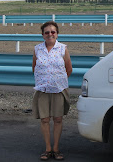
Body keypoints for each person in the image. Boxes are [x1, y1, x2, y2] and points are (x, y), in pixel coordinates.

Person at [32, 21, 72, 161]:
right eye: (47, 32)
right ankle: (47, 149)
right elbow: (34, 67)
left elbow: (69, 68)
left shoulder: (62, 48)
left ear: (57, 34)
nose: (50, 34)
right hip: (42, 89)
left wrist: (57, 81)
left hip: (58, 89)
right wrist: (44, 80)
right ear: (42, 35)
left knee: (58, 119)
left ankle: (56, 148)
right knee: (44, 119)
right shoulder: (37, 49)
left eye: (53, 32)